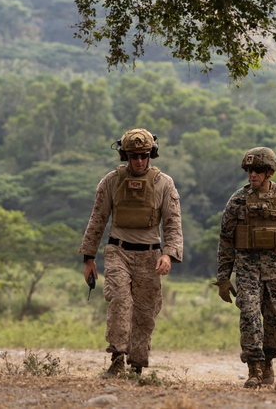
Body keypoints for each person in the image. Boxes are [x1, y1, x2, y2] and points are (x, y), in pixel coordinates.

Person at [79, 128, 184, 378]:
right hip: (118, 251)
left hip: (150, 255)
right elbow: (98, 219)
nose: (138, 161)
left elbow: (173, 222)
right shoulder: (111, 181)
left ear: (151, 155)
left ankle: (137, 364)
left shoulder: (163, 183)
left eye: (143, 155)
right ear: (125, 155)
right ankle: (117, 358)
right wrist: (89, 258)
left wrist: (168, 254)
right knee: (119, 301)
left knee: (145, 312)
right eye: (133, 155)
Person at [215, 147, 276, 388]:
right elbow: (226, 239)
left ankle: (268, 359)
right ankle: (254, 368)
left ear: (269, 172)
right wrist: (223, 277)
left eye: (258, 170)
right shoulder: (237, 200)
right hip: (248, 269)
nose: (253, 175)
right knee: (249, 315)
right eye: (249, 170)